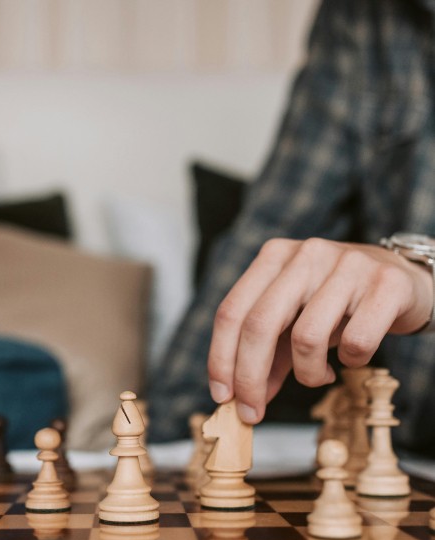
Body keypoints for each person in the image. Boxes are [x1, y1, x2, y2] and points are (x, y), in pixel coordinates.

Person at [149, 0, 435, 457]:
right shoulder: (359, 15)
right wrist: (160, 438)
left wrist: (425, 281)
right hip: (408, 447)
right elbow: (275, 224)